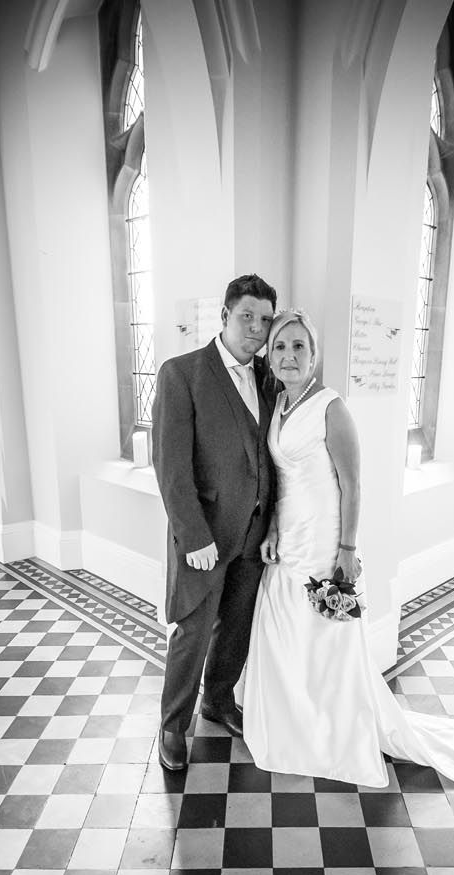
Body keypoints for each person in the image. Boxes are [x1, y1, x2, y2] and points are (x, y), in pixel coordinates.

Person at [242, 310, 454, 797]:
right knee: (286, 630)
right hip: (287, 536)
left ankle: (333, 727)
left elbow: (353, 486)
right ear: (269, 353)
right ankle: (297, 719)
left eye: (299, 347)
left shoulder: (331, 407)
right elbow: (280, 478)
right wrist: (270, 527)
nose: (289, 355)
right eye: (281, 346)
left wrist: (347, 549)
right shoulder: (279, 406)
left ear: (315, 356)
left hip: (324, 538)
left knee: (325, 637)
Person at [150, 274, 279, 771]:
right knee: (193, 630)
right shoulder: (182, 373)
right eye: (246, 316)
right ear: (224, 317)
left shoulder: (268, 378)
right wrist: (193, 534)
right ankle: (171, 723)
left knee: (236, 628)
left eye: (264, 319)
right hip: (204, 536)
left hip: (253, 534)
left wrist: (272, 525)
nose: (256, 328)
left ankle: (219, 700)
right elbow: (171, 464)